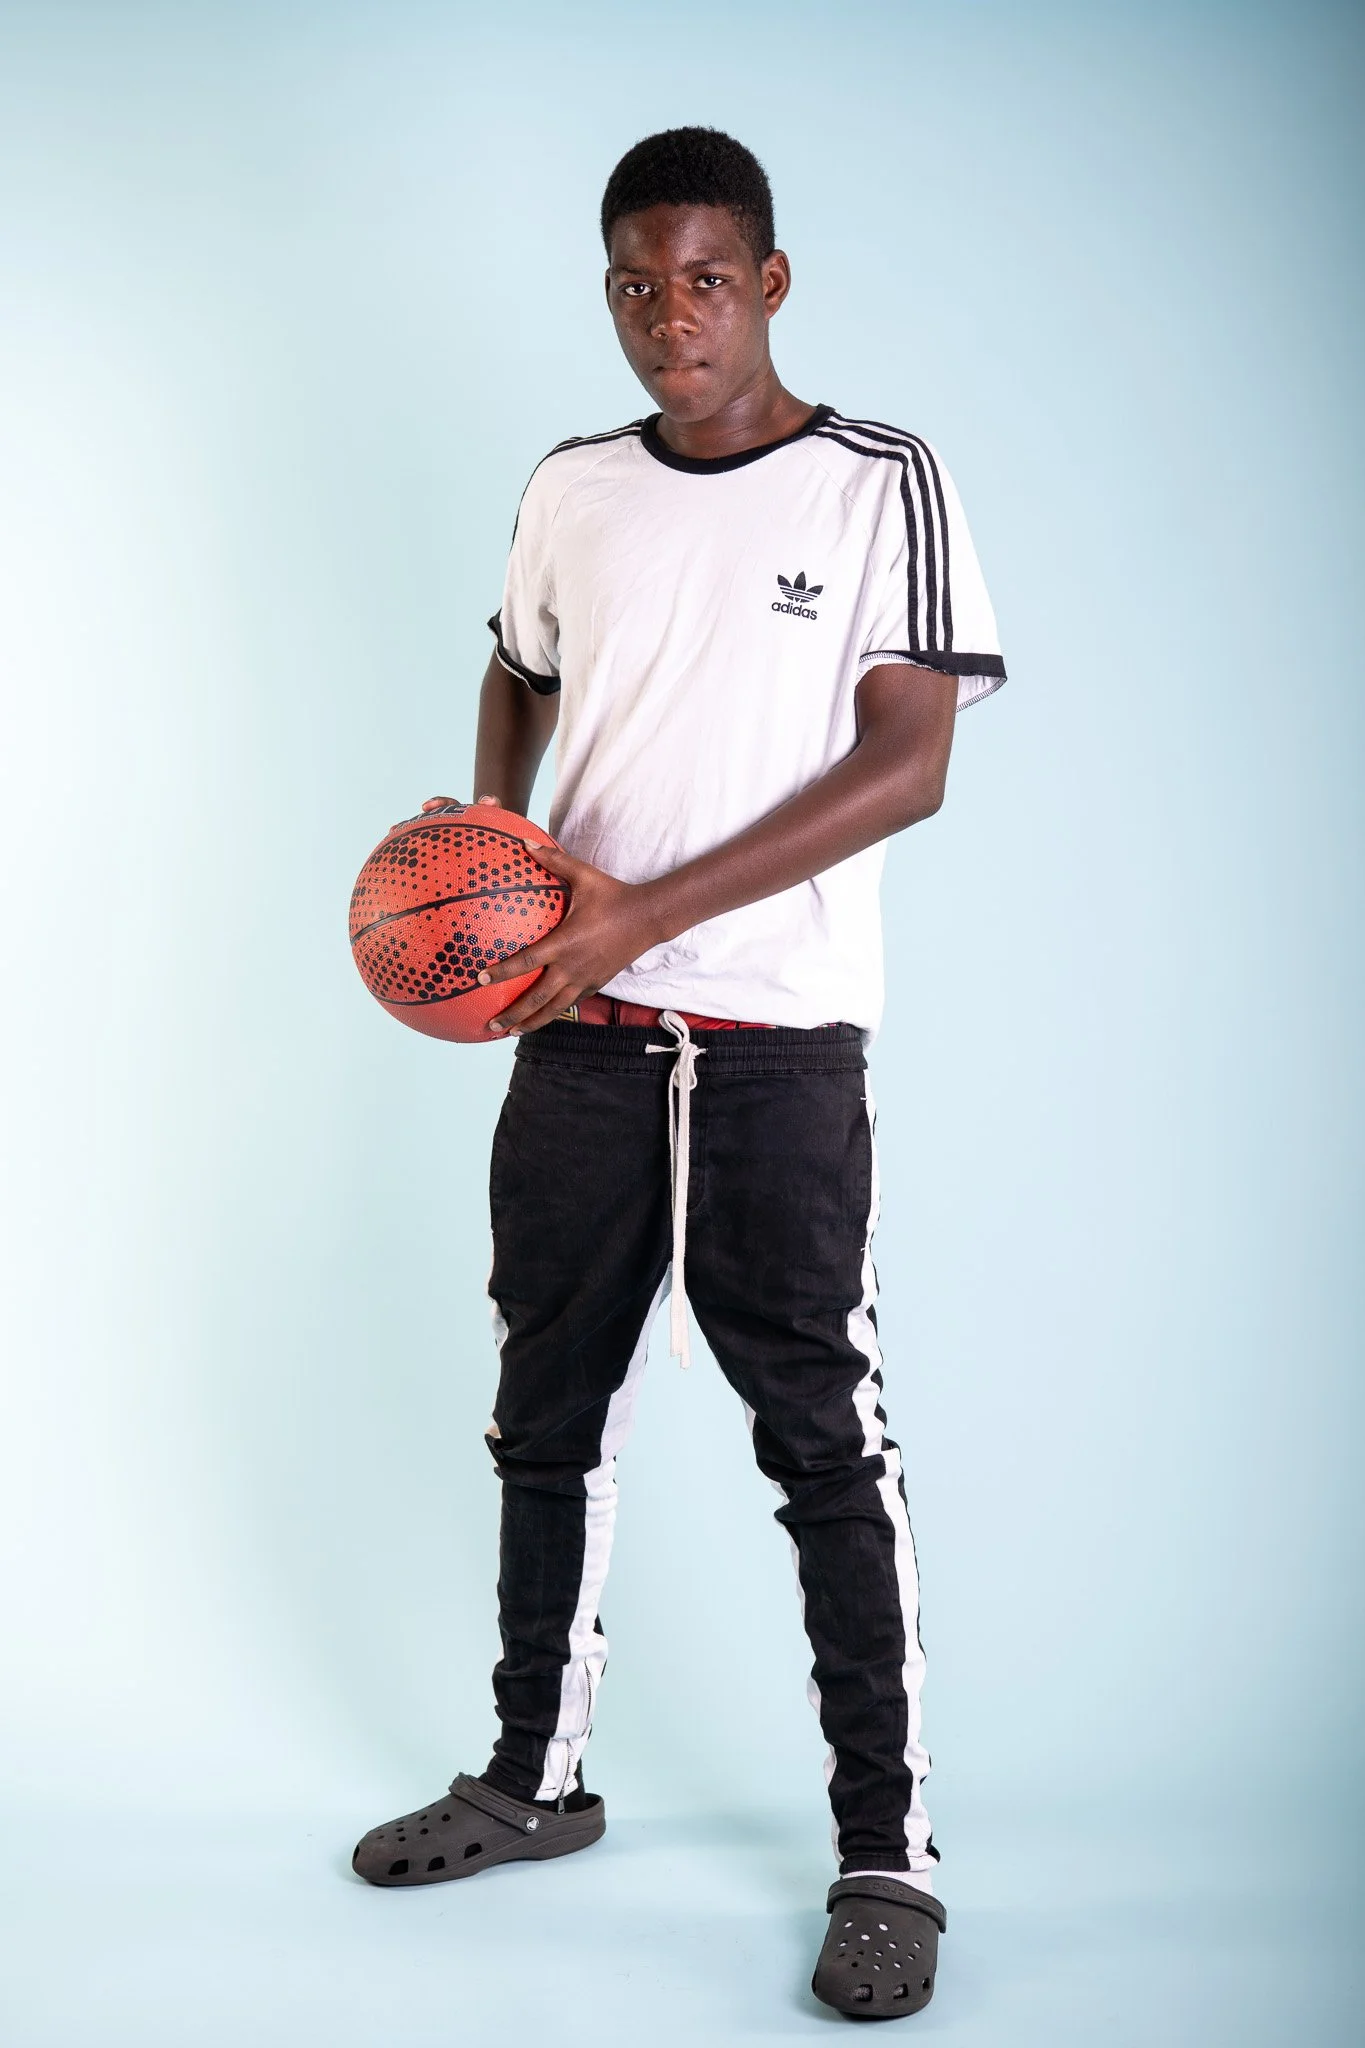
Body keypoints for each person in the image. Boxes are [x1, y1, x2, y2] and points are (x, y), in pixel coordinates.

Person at [351, 125, 1006, 2021]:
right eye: (635, 282)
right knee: (544, 1415)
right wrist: (489, 853)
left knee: (824, 1442)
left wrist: (645, 914)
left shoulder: (884, 482)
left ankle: (887, 1852)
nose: (669, 317)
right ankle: (532, 1781)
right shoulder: (572, 485)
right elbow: (516, 666)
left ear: (773, 282)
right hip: (573, 1036)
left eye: (705, 278)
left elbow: (910, 767)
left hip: (779, 1046)